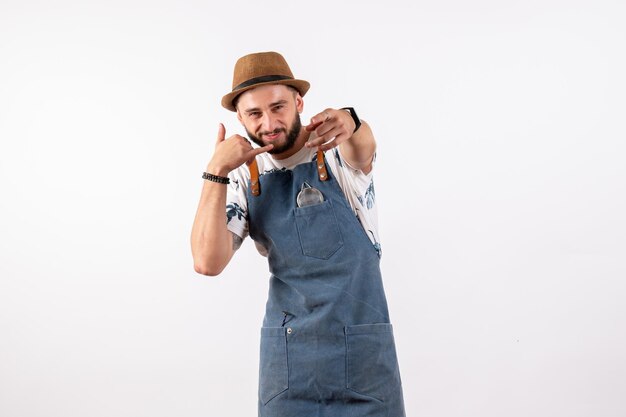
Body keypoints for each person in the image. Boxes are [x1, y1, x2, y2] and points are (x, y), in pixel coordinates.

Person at [191, 51, 405, 417]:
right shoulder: (243, 175)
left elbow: (363, 147)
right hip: (289, 366)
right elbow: (206, 262)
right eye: (255, 113)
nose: (270, 122)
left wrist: (352, 120)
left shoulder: (334, 149)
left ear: (299, 102)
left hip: (364, 361)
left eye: (279, 107)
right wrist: (215, 170)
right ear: (239, 117)